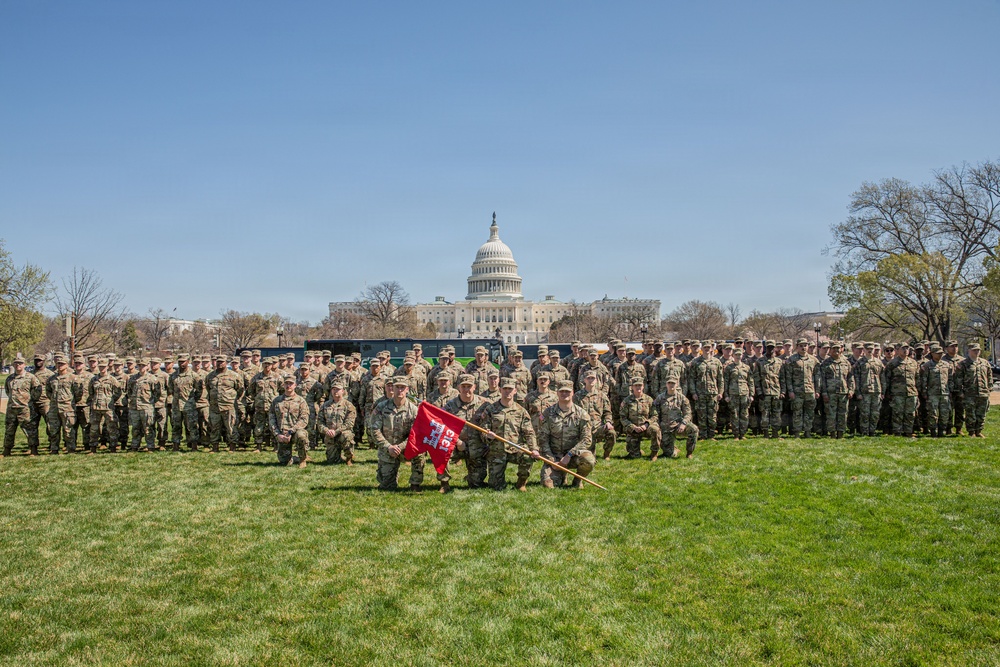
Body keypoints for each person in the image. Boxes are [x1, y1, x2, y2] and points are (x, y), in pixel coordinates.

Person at [472, 377, 537, 491]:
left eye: (510, 389)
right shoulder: (491, 409)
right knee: (496, 487)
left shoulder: (521, 411)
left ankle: (521, 483)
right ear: (500, 390)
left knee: (527, 457)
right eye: (505, 389)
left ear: (515, 391)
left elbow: (529, 432)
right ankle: (497, 480)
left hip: (515, 448)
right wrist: (487, 435)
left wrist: (534, 449)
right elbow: (483, 428)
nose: (507, 391)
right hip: (497, 450)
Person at [537, 380, 595, 488]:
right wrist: (551, 460)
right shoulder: (548, 413)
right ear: (557, 393)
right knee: (548, 486)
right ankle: (561, 475)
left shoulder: (582, 414)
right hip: (554, 457)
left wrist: (569, 454)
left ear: (572, 393)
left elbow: (587, 439)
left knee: (589, 460)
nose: (564, 394)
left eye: (567, 392)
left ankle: (578, 480)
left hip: (573, 457)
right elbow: (542, 438)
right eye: (562, 391)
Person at [370, 378, 421, 490]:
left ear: (407, 389)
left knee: (420, 453)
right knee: (387, 487)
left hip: (406, 448)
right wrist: (388, 447)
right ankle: (391, 477)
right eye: (397, 387)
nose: (400, 390)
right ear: (392, 389)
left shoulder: (413, 409)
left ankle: (415, 483)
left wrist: (400, 446)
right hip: (388, 449)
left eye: (402, 387)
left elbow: (416, 434)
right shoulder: (381, 407)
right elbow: (374, 429)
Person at [444, 374, 489, 491]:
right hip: (456, 444)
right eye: (463, 386)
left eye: (469, 386)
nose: (466, 390)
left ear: (474, 387)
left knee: (476, 484)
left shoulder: (485, 404)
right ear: (458, 387)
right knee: (441, 451)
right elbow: (442, 426)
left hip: (477, 446)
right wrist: (457, 442)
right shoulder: (450, 406)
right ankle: (444, 483)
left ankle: (472, 478)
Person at [3, 354, 41, 457]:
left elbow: (37, 391)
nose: (18, 365)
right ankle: (7, 450)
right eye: (16, 363)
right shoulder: (10, 378)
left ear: (24, 365)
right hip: (12, 408)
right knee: (9, 430)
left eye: (20, 363)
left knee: (30, 430)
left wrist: (29, 400)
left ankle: (33, 450)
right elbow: (7, 391)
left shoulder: (30, 377)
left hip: (25, 408)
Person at [782, 339, 820, 438]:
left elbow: (817, 377)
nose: (803, 348)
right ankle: (797, 433)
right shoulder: (792, 360)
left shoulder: (814, 360)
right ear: (797, 347)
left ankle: (807, 432)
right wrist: (790, 391)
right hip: (797, 391)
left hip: (810, 390)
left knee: (809, 413)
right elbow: (788, 377)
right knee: (797, 413)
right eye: (801, 346)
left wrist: (817, 390)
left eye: (805, 345)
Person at [574, 370, 615, 459]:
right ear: (584, 380)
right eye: (588, 378)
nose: (591, 380)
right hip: (584, 428)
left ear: (596, 380)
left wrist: (608, 422)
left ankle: (607, 453)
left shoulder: (602, 395)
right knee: (589, 457)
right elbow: (574, 414)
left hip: (598, 427)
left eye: (593, 378)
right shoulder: (577, 396)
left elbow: (607, 412)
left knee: (611, 433)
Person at [270, 376, 310, 467]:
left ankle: (303, 459)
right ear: (283, 385)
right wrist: (277, 434)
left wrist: (291, 431)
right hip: (282, 434)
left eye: (291, 384)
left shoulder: (301, 401)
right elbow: (272, 420)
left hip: (294, 432)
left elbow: (304, 419)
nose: (288, 386)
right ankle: (294, 458)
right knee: (284, 462)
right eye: (286, 384)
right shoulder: (276, 401)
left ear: (295, 385)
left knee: (302, 436)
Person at [317, 377, 357, 465]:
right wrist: (326, 430)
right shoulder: (325, 405)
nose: (335, 391)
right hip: (330, 435)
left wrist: (336, 431)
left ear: (343, 391)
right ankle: (337, 456)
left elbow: (349, 423)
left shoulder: (348, 405)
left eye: (338, 389)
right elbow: (320, 422)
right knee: (332, 461)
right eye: (334, 389)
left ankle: (348, 458)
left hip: (342, 433)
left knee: (347, 436)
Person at [656, 377, 698, 459]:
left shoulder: (682, 398)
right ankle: (673, 449)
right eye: (669, 383)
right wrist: (658, 425)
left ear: (677, 384)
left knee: (694, 429)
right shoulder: (660, 398)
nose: (671, 385)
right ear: (666, 384)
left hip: (679, 425)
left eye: (673, 383)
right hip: (665, 427)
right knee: (669, 455)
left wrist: (683, 423)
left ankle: (689, 453)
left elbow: (688, 413)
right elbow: (655, 413)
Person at [820, 342, 855, 438]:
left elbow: (850, 378)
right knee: (831, 414)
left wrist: (851, 390)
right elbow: (822, 380)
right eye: (834, 348)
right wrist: (824, 393)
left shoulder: (846, 363)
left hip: (843, 392)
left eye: (838, 348)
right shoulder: (825, 363)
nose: (836, 350)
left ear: (841, 349)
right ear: (830, 350)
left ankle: (840, 433)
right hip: (831, 393)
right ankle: (832, 433)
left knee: (843, 414)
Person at [620, 378, 661, 459]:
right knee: (634, 456)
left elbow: (655, 415)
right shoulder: (627, 401)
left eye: (640, 385)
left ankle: (654, 453)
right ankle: (636, 451)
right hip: (633, 429)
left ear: (643, 387)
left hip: (646, 428)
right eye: (636, 385)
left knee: (655, 430)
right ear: (632, 387)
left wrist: (646, 425)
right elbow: (623, 417)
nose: (638, 387)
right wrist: (632, 427)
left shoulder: (649, 399)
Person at [87, 358, 121, 454]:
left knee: (112, 428)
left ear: (107, 367)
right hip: (96, 407)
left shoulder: (112, 379)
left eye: (104, 367)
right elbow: (91, 392)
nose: (102, 368)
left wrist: (110, 400)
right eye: (100, 367)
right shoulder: (94, 379)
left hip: (108, 408)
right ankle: (93, 448)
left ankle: (113, 447)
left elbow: (118, 392)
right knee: (94, 428)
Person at [921, 344, 954, 437]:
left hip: (944, 393)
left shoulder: (947, 365)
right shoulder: (927, 365)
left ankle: (941, 431)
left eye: (941, 353)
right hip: (932, 394)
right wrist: (924, 392)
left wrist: (950, 390)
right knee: (932, 414)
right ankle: (933, 431)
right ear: (932, 354)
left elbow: (950, 379)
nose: (940, 355)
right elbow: (924, 380)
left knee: (945, 414)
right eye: (937, 353)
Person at [722, 347, 755, 440]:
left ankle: (743, 434)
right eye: (736, 355)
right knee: (734, 414)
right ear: (733, 355)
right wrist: (726, 395)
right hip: (733, 394)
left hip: (744, 393)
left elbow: (750, 382)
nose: (738, 356)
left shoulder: (746, 367)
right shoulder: (729, 367)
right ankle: (736, 434)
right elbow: (726, 382)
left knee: (744, 414)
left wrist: (751, 395)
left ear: (742, 356)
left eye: (739, 355)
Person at [129, 358, 161, 452]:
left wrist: (150, 402)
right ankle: (135, 446)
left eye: (143, 365)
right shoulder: (133, 378)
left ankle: (150, 446)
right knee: (135, 428)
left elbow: (157, 393)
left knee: (148, 427)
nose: (141, 367)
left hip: (147, 407)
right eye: (139, 365)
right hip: (135, 407)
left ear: (147, 366)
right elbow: (129, 391)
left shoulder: (152, 379)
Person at [960, 343, 992, 437]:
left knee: (981, 414)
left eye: (978, 350)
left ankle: (978, 431)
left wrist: (989, 388)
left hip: (983, 393)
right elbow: (958, 379)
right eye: (974, 350)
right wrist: (961, 392)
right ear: (969, 351)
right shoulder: (964, 364)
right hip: (969, 393)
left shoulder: (984, 363)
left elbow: (989, 376)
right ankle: (971, 432)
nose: (977, 352)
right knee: (970, 414)